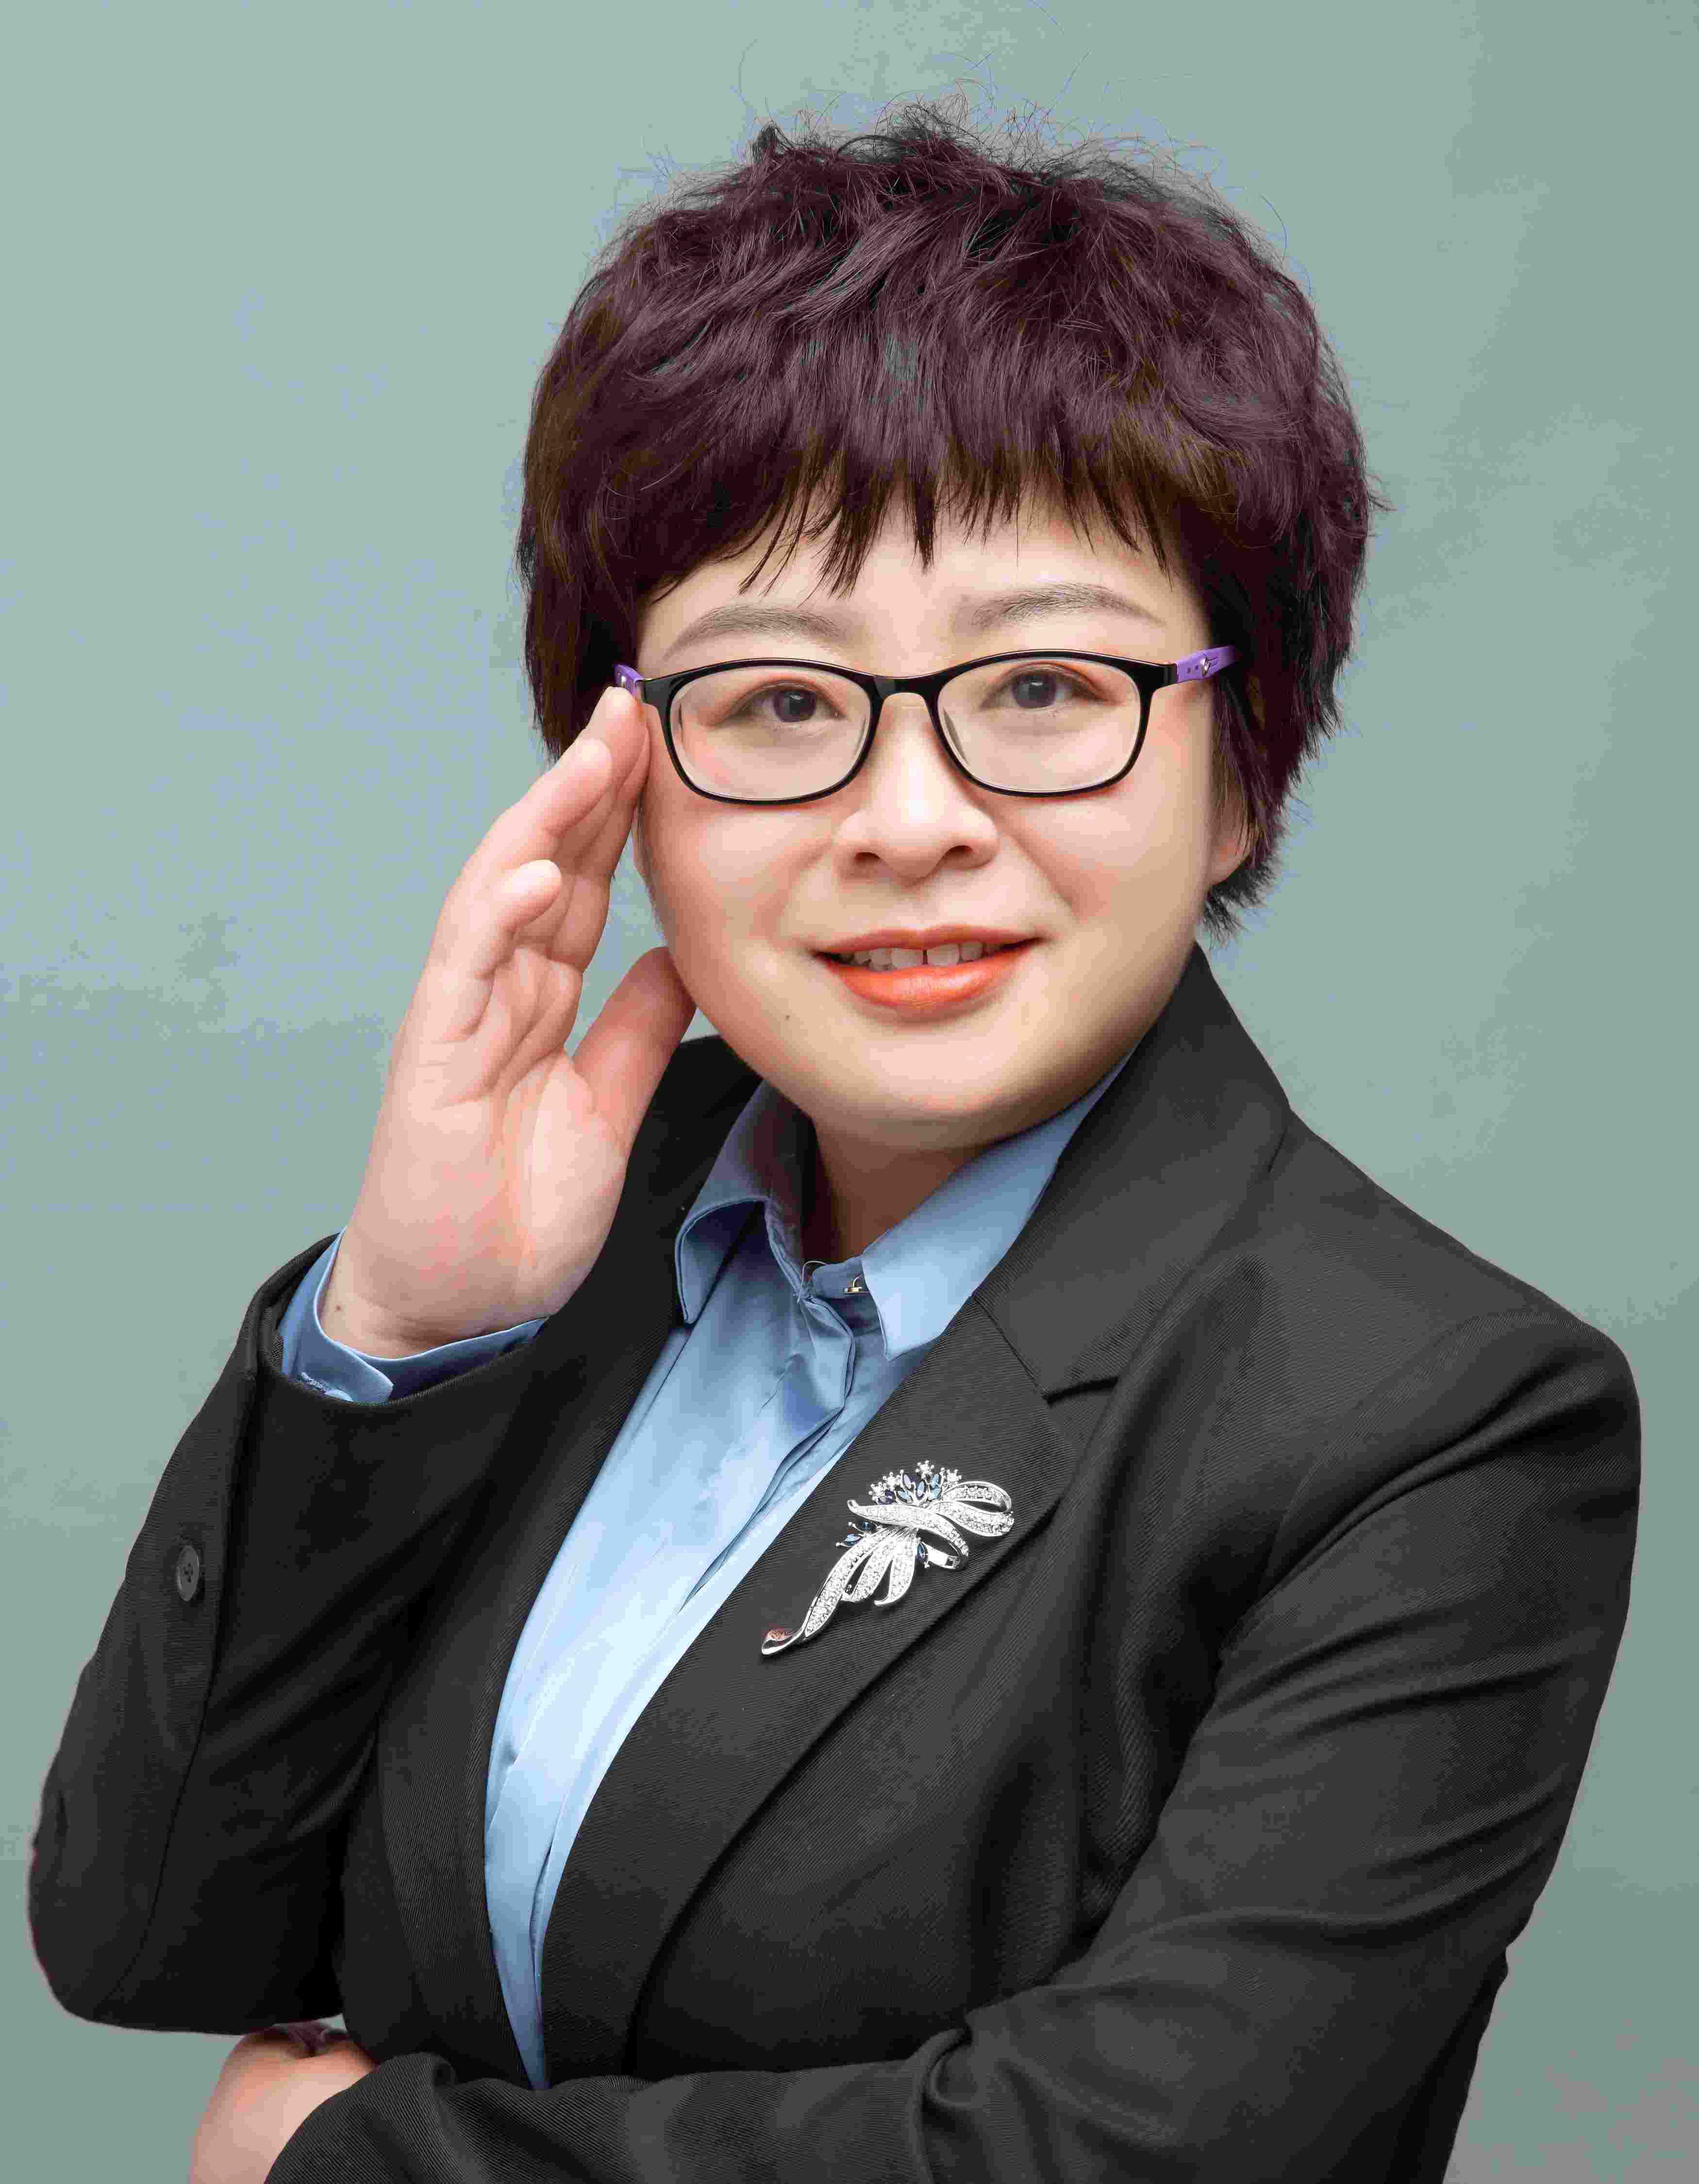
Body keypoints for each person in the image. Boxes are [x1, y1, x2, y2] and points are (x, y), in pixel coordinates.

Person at [29, 98, 1640, 2184]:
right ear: (625, 778)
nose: (908, 818)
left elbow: (1144, 2153)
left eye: (1044, 687)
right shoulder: (565, 1244)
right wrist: (402, 1337)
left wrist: (343, 2171)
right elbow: (147, 1935)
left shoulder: (1432, 1420)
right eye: (780, 699)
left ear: (1240, 769)